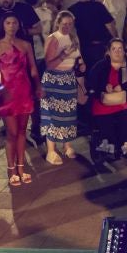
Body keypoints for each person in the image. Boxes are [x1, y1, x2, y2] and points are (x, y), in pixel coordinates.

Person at [0, 11, 38, 186]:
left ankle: (21, 167)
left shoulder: (25, 44)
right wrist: (2, 88)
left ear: (19, 25)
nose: (11, 26)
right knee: (12, 133)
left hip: (24, 91)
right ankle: (11, 168)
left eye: (14, 23)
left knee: (23, 130)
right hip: (6, 94)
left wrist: (38, 86)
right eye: (8, 23)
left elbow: (33, 68)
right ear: (3, 25)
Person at [87, 39, 127, 168]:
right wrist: (103, 88)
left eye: (120, 48)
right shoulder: (100, 66)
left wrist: (122, 87)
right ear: (108, 52)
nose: (117, 51)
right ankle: (109, 144)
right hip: (104, 101)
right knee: (105, 118)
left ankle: (126, 144)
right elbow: (92, 84)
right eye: (114, 49)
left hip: (122, 100)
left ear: (124, 51)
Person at [40, 12, 83, 165]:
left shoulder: (73, 38)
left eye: (70, 24)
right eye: (64, 23)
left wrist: (81, 64)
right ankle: (51, 150)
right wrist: (65, 54)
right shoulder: (53, 38)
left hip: (68, 80)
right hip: (54, 81)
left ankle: (67, 144)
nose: (67, 27)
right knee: (53, 115)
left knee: (68, 114)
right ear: (58, 23)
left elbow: (78, 57)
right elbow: (49, 64)